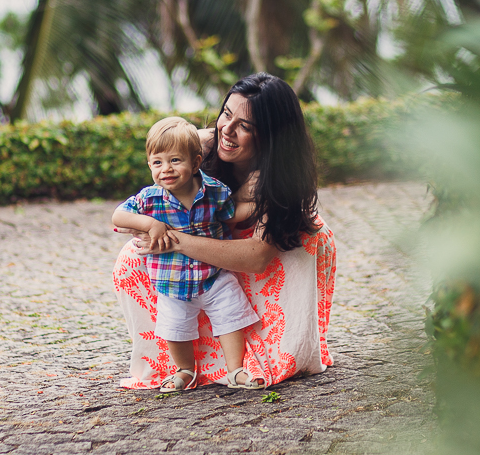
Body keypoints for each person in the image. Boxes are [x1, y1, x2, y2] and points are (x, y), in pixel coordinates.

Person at [114, 73, 337, 390]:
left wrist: (172, 238)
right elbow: (150, 200)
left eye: (245, 126)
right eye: (226, 114)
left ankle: (255, 357)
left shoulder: (279, 179)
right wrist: (152, 227)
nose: (227, 131)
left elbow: (257, 256)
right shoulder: (201, 146)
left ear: (270, 136)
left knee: (280, 264)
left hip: (276, 247)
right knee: (131, 259)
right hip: (211, 236)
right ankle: (183, 364)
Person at [112, 117, 261, 392]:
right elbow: (118, 215)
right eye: (157, 162)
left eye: (175, 161)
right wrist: (150, 224)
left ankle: (235, 370)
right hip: (172, 281)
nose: (166, 169)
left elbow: (231, 215)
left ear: (195, 163)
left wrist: (260, 203)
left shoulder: (215, 191)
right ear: (149, 166)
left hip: (213, 275)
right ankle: (185, 371)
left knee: (230, 315)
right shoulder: (148, 199)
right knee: (174, 327)